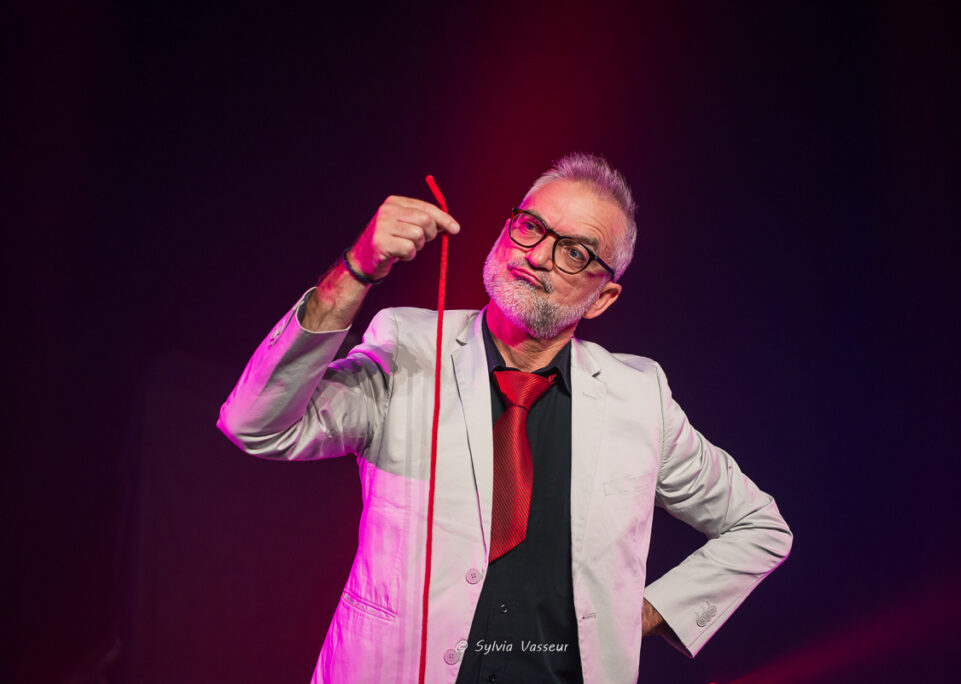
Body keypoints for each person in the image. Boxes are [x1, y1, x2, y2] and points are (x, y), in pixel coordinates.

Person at [217, 153, 792, 683]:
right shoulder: (406, 346)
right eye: (531, 226)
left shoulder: (639, 397)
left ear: (603, 298)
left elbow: (760, 527)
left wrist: (639, 615)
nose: (537, 254)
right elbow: (257, 424)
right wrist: (356, 270)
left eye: (574, 251)